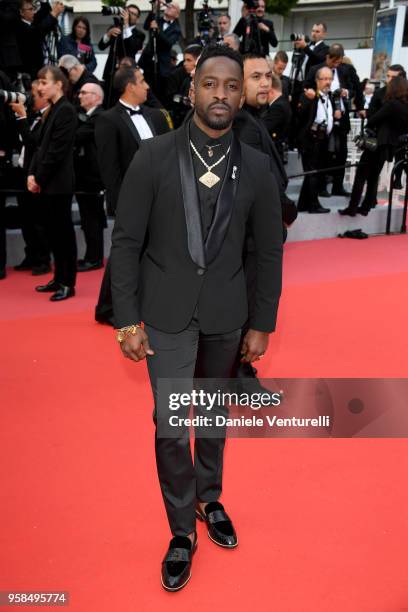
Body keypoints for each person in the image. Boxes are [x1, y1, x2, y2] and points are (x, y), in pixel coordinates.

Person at [110, 44, 282, 592]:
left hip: (228, 315)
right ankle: (181, 528)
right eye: (210, 84)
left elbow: (267, 252)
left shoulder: (255, 163)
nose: (221, 96)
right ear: (192, 89)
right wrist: (127, 320)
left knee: (210, 417)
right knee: (170, 423)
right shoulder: (154, 157)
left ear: (243, 95)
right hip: (165, 315)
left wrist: (262, 322)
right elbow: (127, 241)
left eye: (232, 86)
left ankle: (211, 498)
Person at [94, 66, 170, 324]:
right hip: (131, 200)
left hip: (158, 197)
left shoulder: (156, 116)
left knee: (152, 252)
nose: (147, 86)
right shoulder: (108, 120)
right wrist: (118, 205)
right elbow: (109, 168)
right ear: (129, 87)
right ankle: (109, 308)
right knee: (125, 255)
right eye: (142, 81)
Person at [27, 66, 77, 301]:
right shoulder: (54, 110)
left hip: (59, 184)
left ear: (59, 84)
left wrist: (38, 177)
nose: (40, 87)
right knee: (54, 234)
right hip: (49, 183)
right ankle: (59, 278)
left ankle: (68, 282)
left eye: (44, 82)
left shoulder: (66, 110)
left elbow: (56, 152)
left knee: (63, 234)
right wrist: (33, 174)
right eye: (38, 82)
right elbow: (39, 146)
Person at [339, 76, 408, 217]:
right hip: (390, 146)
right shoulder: (405, 106)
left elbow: (372, 120)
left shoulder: (391, 104)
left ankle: (352, 208)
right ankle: (365, 207)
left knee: (361, 175)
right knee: (374, 176)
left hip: (377, 143)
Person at [304, 43, 365, 197]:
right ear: (328, 57)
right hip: (323, 118)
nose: (336, 65)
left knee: (342, 154)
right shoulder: (315, 69)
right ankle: (322, 186)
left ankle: (338, 186)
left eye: (339, 62)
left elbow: (354, 89)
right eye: (334, 62)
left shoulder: (345, 70)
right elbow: (306, 88)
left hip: (342, 118)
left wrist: (347, 93)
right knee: (324, 154)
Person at [10, 80, 51, 275]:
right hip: (22, 171)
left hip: (36, 174)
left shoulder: (48, 118)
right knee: (26, 219)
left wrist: (21, 118)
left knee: (38, 220)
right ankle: (31, 255)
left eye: (35, 95)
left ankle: (43, 260)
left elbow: (33, 143)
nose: (31, 98)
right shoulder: (34, 116)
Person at [75, 82, 106, 272]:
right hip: (85, 176)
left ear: (96, 96)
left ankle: (94, 258)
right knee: (88, 219)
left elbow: (78, 135)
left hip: (93, 177)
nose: (80, 96)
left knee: (92, 219)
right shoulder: (88, 117)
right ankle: (91, 255)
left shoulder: (100, 117)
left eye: (84, 93)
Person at [296, 66, 334, 214]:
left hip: (323, 140)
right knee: (313, 173)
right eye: (324, 79)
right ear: (317, 80)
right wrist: (306, 99)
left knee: (313, 173)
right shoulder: (309, 95)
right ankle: (313, 205)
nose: (328, 82)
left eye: (330, 79)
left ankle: (302, 204)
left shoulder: (329, 97)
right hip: (310, 141)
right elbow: (299, 115)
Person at [98, 5, 145, 105]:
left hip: (127, 75)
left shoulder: (140, 35)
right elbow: (101, 46)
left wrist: (127, 25)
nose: (129, 15)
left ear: (137, 18)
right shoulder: (115, 28)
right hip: (111, 72)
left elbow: (132, 48)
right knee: (108, 103)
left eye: (133, 14)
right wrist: (108, 34)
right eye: (128, 11)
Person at [141, 1, 182, 100]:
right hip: (148, 61)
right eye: (169, 5)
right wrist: (154, 9)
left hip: (162, 66)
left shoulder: (176, 29)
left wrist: (158, 31)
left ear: (177, 14)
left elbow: (168, 43)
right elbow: (146, 26)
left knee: (160, 94)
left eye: (173, 7)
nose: (169, 6)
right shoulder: (157, 19)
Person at [15, 0, 64, 80]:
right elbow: (39, 31)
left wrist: (46, 3)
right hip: (30, 75)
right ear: (21, 12)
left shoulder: (30, 24)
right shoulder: (20, 27)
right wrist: (54, 13)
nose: (34, 12)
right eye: (30, 9)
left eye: (33, 9)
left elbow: (40, 16)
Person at [261, 72, 291, 161]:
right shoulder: (283, 102)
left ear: (271, 91)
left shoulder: (278, 107)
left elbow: (264, 127)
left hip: (273, 151)